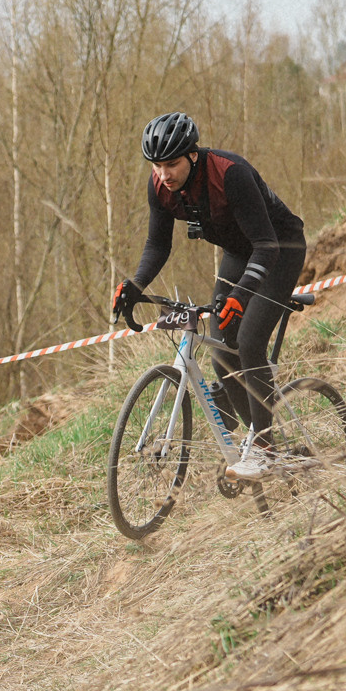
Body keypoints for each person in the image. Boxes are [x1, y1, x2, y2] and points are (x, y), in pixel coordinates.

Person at [112, 112, 307, 481]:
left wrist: (242, 295)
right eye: (157, 166)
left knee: (248, 341)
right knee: (220, 351)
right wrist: (135, 286)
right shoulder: (159, 187)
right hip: (237, 253)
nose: (164, 174)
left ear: (193, 156)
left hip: (279, 248)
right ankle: (256, 433)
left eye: (172, 164)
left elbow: (266, 246)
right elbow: (157, 245)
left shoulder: (230, 174)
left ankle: (264, 450)